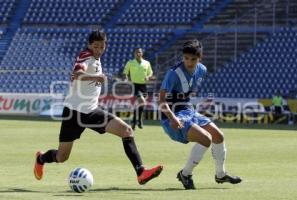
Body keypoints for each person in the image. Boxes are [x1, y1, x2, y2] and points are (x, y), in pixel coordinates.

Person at [33, 30, 163, 185]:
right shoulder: (85, 55)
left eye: (102, 47)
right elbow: (76, 73)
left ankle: (140, 172)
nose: (99, 50)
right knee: (62, 157)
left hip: (91, 111)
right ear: (89, 45)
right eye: (96, 47)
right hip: (74, 112)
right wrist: (97, 77)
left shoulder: (96, 59)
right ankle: (41, 158)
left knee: (126, 130)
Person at [158, 39, 242, 190]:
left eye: (193, 59)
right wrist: (173, 118)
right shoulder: (173, 74)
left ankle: (221, 174)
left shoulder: (202, 70)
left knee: (219, 136)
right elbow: (161, 100)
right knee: (206, 138)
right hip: (171, 117)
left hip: (188, 111)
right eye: (186, 58)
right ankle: (185, 174)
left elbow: (187, 92)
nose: (189, 62)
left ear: (200, 58)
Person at [123, 48, 153, 130]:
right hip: (135, 85)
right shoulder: (130, 63)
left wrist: (148, 76)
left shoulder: (147, 63)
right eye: (136, 52)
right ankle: (138, 120)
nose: (138, 53)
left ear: (142, 53)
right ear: (134, 54)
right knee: (142, 101)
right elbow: (125, 72)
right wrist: (126, 78)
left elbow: (150, 72)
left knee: (141, 104)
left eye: (139, 52)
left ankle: (135, 121)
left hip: (144, 86)